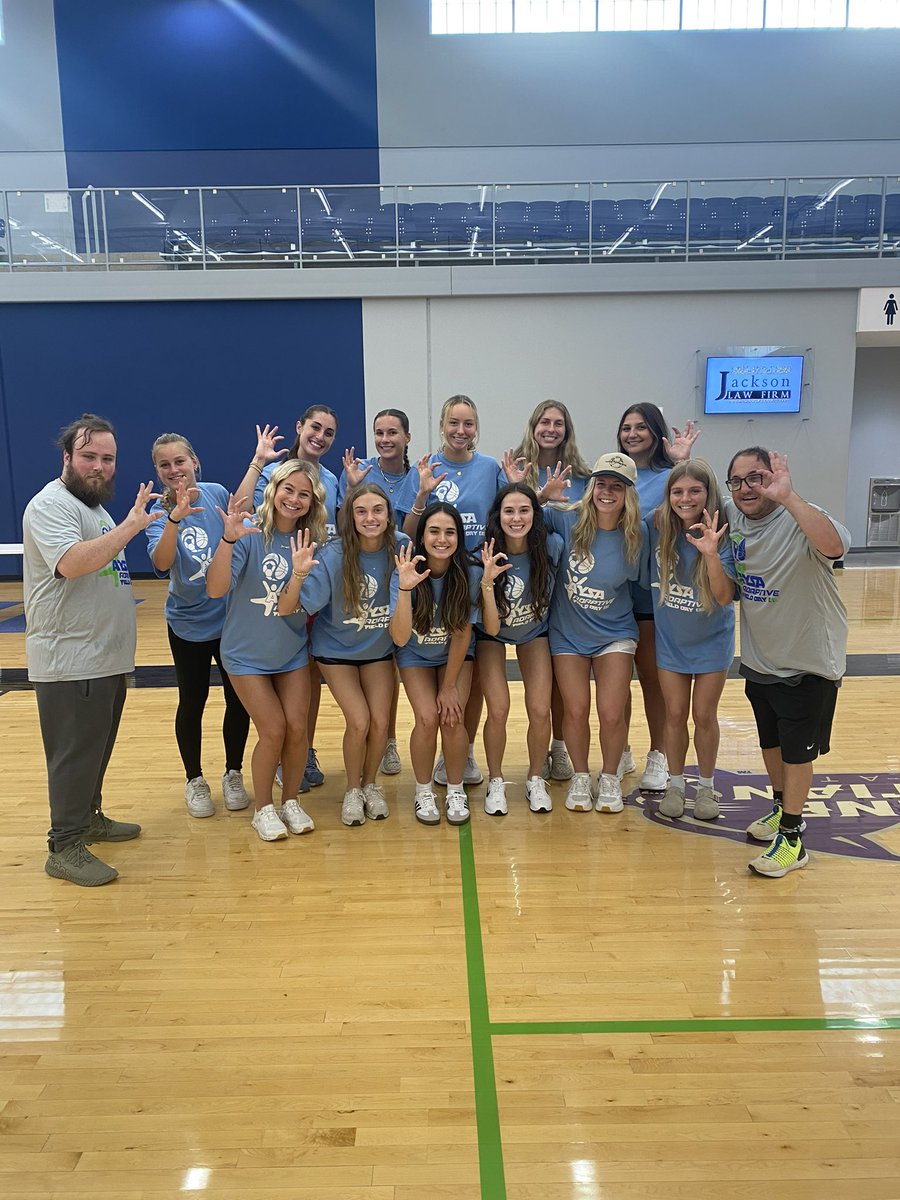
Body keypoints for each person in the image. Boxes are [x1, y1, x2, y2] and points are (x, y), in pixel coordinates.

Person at [23, 414, 155, 886]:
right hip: (70, 659)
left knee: (94, 750)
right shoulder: (50, 506)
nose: (99, 466)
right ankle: (65, 845)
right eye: (89, 456)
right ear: (67, 457)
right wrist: (131, 528)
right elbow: (73, 563)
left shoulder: (94, 509)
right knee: (73, 755)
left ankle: (88, 817)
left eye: (107, 458)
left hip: (102, 657)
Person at [724, 448, 850, 877]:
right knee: (771, 744)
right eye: (737, 480)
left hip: (807, 662)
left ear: (774, 477)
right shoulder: (735, 517)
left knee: (797, 754)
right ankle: (780, 809)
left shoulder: (802, 516)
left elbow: (833, 546)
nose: (746, 488)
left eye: (755, 478)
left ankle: (793, 840)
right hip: (762, 661)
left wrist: (790, 498)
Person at [206, 460, 326, 843]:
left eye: (303, 494)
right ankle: (263, 809)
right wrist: (227, 540)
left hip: (290, 651)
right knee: (272, 730)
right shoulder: (248, 534)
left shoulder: (312, 543)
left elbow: (294, 604)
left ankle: (290, 801)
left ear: (312, 502)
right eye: (287, 489)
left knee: (297, 731)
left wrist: (300, 572)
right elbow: (214, 589)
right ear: (272, 490)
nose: (294, 499)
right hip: (245, 654)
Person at [278, 483, 404, 826]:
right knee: (359, 720)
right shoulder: (334, 553)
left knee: (380, 723)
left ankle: (370, 785)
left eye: (378, 510)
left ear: (389, 515)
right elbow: (304, 604)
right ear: (349, 516)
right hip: (335, 651)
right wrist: (300, 573)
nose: (370, 517)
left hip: (378, 650)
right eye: (361, 511)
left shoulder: (401, 547)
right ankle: (352, 789)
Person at [395, 395, 503, 787]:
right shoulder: (424, 469)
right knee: (436, 699)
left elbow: (514, 513)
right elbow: (407, 535)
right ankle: (435, 767)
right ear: (441, 425)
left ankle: (462, 752)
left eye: (468, 423)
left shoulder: (490, 468)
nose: (461, 430)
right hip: (428, 583)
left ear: (476, 427)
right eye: (454, 423)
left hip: (471, 579)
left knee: (463, 689)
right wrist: (423, 494)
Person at [146, 433, 250, 818]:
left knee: (238, 699)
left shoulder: (217, 493)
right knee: (193, 701)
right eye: (165, 465)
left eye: (180, 462)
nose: (175, 471)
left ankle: (233, 772)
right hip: (187, 623)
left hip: (229, 620)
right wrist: (175, 516)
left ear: (195, 463)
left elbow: (240, 528)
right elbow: (161, 562)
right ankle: (195, 779)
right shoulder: (157, 510)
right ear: (157, 471)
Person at [237, 413, 339, 793]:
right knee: (272, 702)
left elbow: (335, 529)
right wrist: (258, 461)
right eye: (315, 428)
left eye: (329, 433)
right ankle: (276, 756)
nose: (321, 436)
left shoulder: (331, 480)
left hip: (310, 586)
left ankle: (304, 750)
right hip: (266, 598)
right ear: (299, 427)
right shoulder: (274, 472)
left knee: (307, 679)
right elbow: (243, 510)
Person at [542, 453, 648, 814]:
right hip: (567, 633)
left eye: (616, 486)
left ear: (628, 493)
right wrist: (542, 494)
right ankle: (581, 776)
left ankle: (609, 777)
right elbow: (516, 516)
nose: (607, 492)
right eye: (601, 484)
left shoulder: (638, 533)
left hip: (615, 632)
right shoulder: (565, 517)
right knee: (575, 710)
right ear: (590, 487)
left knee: (612, 712)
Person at [504, 400, 593, 782]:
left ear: (567, 429)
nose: (551, 429)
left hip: (561, 582)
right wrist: (538, 496)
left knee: (557, 678)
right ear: (533, 426)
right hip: (517, 581)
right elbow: (507, 516)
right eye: (544, 421)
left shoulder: (583, 476)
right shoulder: (513, 471)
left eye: (558, 423)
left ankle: (557, 748)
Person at [614, 403, 701, 792]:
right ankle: (622, 748)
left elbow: (693, 508)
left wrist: (684, 463)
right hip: (614, 593)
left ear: (656, 432)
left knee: (651, 678)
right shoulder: (613, 477)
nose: (632, 434)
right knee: (615, 681)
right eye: (626, 427)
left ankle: (659, 753)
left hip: (652, 593)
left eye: (641, 427)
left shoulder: (670, 477)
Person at [648, 461, 737, 822]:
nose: (685, 499)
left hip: (712, 641)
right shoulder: (658, 529)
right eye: (677, 492)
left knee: (703, 714)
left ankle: (705, 786)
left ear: (709, 494)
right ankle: (675, 782)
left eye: (694, 491)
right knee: (673, 713)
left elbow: (723, 596)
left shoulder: (722, 533)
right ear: (668, 497)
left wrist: (711, 553)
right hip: (672, 641)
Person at [389, 503, 481, 827]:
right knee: (427, 719)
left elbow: (462, 633)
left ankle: (455, 789)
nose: (442, 539)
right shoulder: (406, 569)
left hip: (455, 654)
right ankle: (423, 789)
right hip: (414, 654)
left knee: (452, 716)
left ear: (459, 537)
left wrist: (449, 687)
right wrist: (403, 590)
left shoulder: (469, 572)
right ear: (422, 535)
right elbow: (400, 638)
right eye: (434, 531)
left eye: (450, 532)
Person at [477, 484, 563, 815]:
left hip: (534, 632)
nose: (516, 518)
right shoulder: (484, 553)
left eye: (524, 510)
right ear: (498, 516)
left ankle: (535, 777)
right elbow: (492, 626)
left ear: (535, 514)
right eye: (509, 511)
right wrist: (486, 582)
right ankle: (496, 780)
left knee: (540, 709)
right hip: (492, 633)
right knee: (498, 709)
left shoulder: (551, 546)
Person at [338, 408, 414, 777]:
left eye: (392, 432)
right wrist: (352, 486)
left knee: (392, 669)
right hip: (359, 586)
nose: (385, 439)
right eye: (379, 432)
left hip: (399, 573)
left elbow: (412, 533)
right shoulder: (360, 472)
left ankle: (390, 741)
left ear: (406, 438)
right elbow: (347, 524)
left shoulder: (419, 476)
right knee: (363, 713)